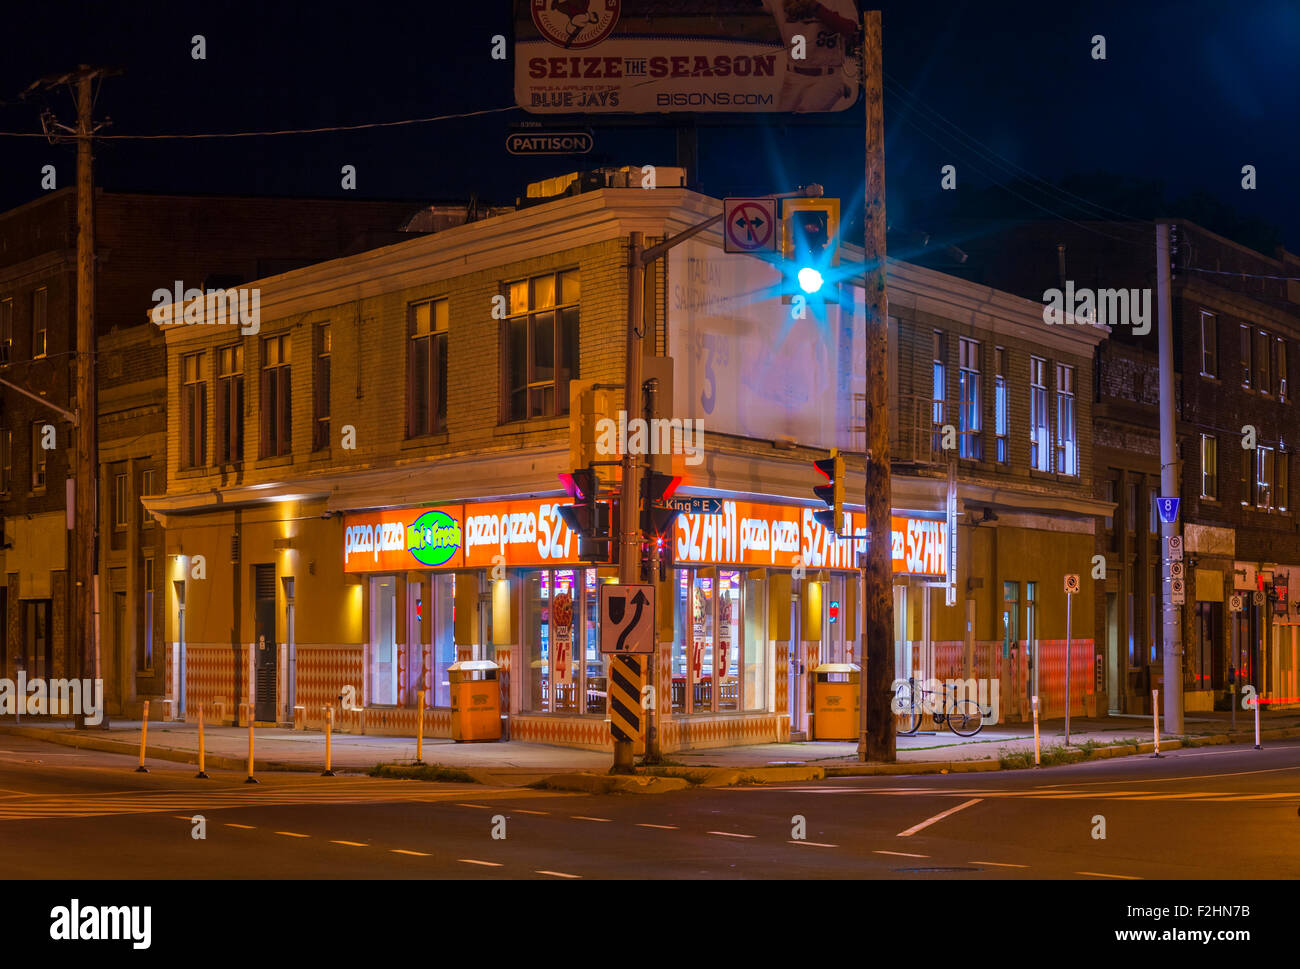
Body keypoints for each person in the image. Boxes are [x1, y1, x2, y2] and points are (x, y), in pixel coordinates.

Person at [762, 0, 861, 112]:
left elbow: (852, 31)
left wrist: (816, 8)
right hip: (793, 76)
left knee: (804, 116)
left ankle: (837, 86)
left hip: (827, 77)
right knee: (782, 123)